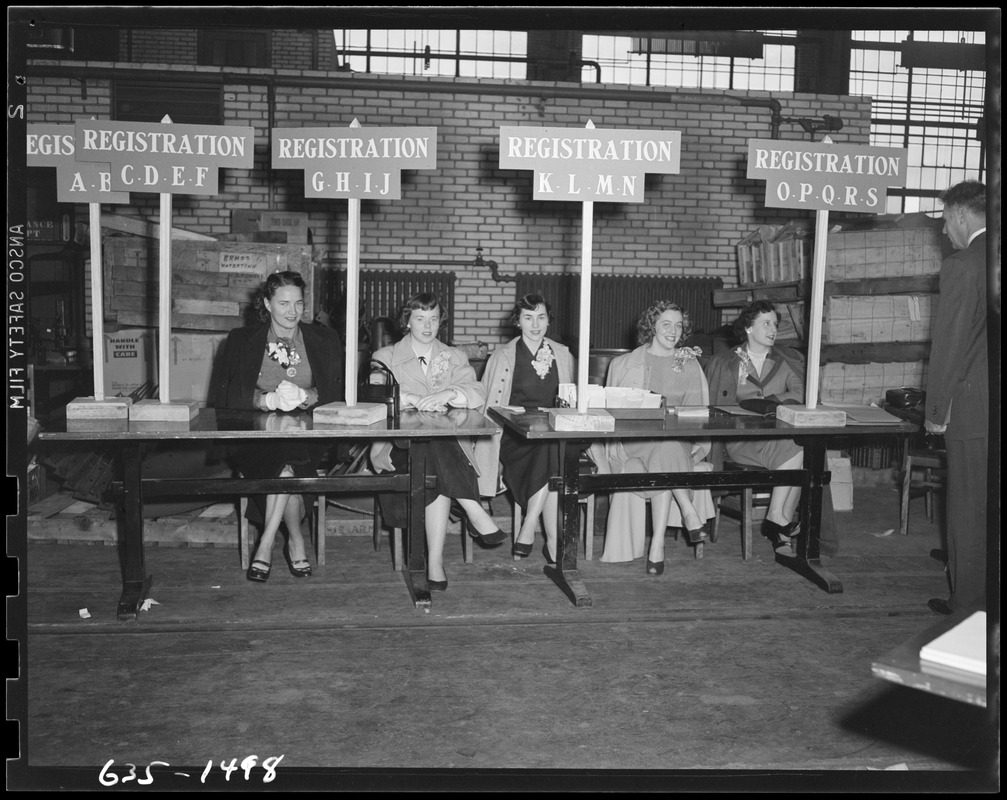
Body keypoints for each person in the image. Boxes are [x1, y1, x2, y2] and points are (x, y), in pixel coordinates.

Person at [211, 270, 345, 583]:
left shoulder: (324, 339)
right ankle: (296, 540)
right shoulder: (241, 340)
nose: (292, 312)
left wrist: (307, 395)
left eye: (298, 304)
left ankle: (266, 542)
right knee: (286, 467)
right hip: (256, 433)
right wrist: (265, 401)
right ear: (267, 304)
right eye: (283, 304)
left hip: (308, 432)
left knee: (289, 458)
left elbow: (337, 394)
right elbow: (226, 395)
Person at [369, 292, 506, 591]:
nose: (427, 326)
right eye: (420, 318)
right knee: (433, 449)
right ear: (407, 321)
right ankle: (472, 512)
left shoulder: (453, 356)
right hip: (397, 447)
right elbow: (374, 393)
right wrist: (414, 399)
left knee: (435, 451)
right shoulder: (386, 356)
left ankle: (434, 561)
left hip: (443, 450)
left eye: (433, 319)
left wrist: (449, 394)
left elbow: (477, 391)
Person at [597, 300, 716, 575]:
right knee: (667, 448)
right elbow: (612, 412)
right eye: (666, 324)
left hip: (675, 441)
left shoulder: (689, 364)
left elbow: (699, 414)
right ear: (651, 326)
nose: (673, 331)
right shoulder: (624, 363)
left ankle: (657, 544)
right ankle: (687, 510)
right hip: (634, 441)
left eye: (678, 325)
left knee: (668, 447)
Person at [923, 180, 989, 616]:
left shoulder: (963, 265)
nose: (945, 232)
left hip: (973, 409)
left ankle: (968, 606)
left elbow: (949, 345)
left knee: (968, 509)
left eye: (946, 221)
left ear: (963, 215)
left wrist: (935, 413)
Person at [477, 294, 574, 563]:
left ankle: (529, 525)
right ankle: (550, 540)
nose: (535, 324)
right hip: (515, 435)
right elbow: (488, 406)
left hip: (553, 431)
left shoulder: (562, 353)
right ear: (517, 321)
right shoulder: (502, 356)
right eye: (528, 317)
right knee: (549, 454)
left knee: (550, 449)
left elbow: (574, 400)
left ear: (548, 320)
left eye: (541, 317)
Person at [705, 299, 805, 553]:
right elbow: (712, 404)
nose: (773, 329)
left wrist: (766, 403)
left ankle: (777, 521)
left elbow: (800, 392)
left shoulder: (786, 360)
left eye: (775, 324)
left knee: (803, 449)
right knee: (796, 451)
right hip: (741, 439)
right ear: (749, 328)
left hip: (778, 435)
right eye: (766, 323)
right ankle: (779, 525)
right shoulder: (727, 361)